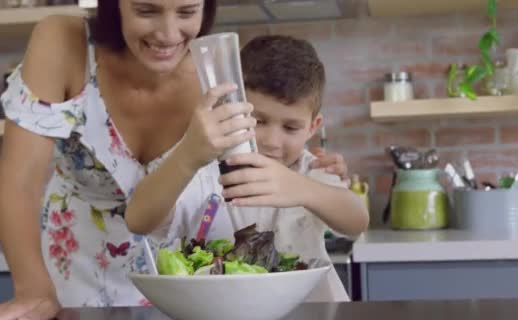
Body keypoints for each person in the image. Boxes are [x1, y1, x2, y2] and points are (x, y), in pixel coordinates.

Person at [0, 1, 348, 318]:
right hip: (76, 274)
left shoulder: (217, 67)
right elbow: (20, 181)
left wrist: (313, 172)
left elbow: (263, 152)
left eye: (186, 12)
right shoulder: (65, 42)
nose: (168, 34)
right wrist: (34, 290)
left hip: (192, 285)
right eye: (146, 11)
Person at [220, 35, 369, 302]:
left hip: (312, 308)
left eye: (290, 127)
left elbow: (357, 221)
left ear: (313, 127)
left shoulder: (312, 168)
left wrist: (301, 188)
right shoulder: (214, 166)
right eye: (258, 120)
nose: (271, 141)